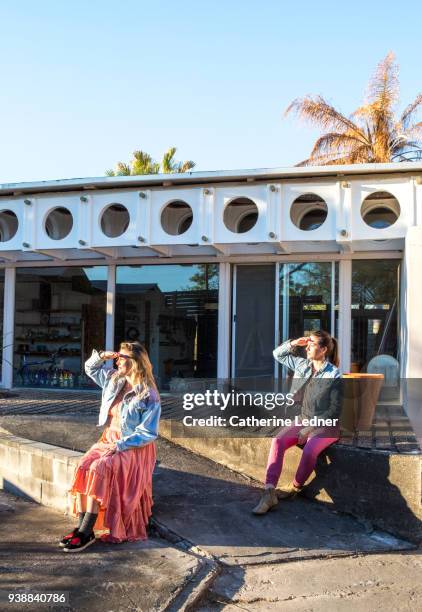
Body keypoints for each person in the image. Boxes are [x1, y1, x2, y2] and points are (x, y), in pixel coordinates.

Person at [60, 341, 161, 552]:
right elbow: (90, 368)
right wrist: (103, 355)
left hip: (133, 446)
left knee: (99, 468)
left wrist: (121, 445)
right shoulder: (114, 379)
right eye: (117, 356)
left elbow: (148, 433)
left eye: (122, 357)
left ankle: (86, 530)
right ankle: (81, 529)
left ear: (135, 363)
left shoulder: (148, 394)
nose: (117, 360)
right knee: (84, 464)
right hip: (108, 438)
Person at [253, 331, 341, 515]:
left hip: (326, 425)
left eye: (313, 344)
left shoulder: (333, 374)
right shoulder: (303, 365)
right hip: (304, 418)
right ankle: (269, 492)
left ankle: (295, 488)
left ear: (323, 349)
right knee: (278, 441)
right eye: (307, 343)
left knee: (309, 449)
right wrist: (294, 343)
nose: (307, 347)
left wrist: (310, 428)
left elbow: (334, 409)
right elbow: (278, 354)